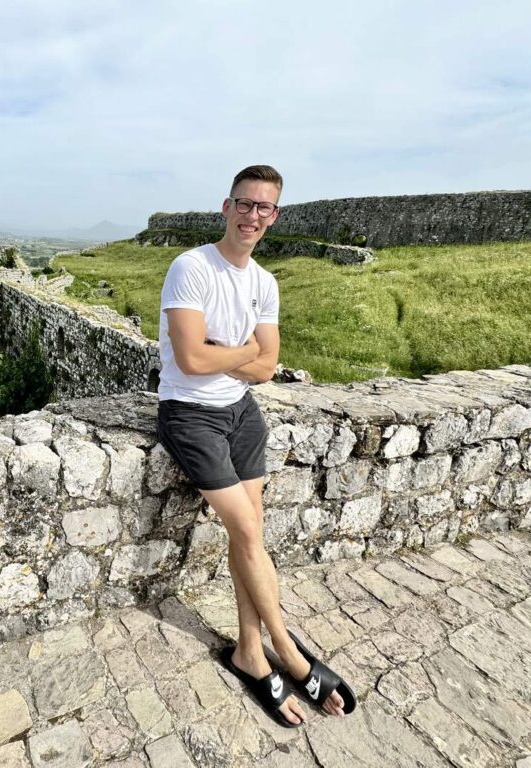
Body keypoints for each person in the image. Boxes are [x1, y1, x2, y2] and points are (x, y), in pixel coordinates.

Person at [157, 165, 355, 727]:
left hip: (242, 413)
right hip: (189, 414)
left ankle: (249, 649)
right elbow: (191, 360)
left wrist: (233, 350)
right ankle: (289, 653)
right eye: (244, 204)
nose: (252, 216)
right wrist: (241, 351)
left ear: (275, 216)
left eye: (263, 207)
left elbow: (267, 368)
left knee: (253, 532)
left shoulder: (264, 283)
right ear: (226, 207)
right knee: (246, 530)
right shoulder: (191, 267)